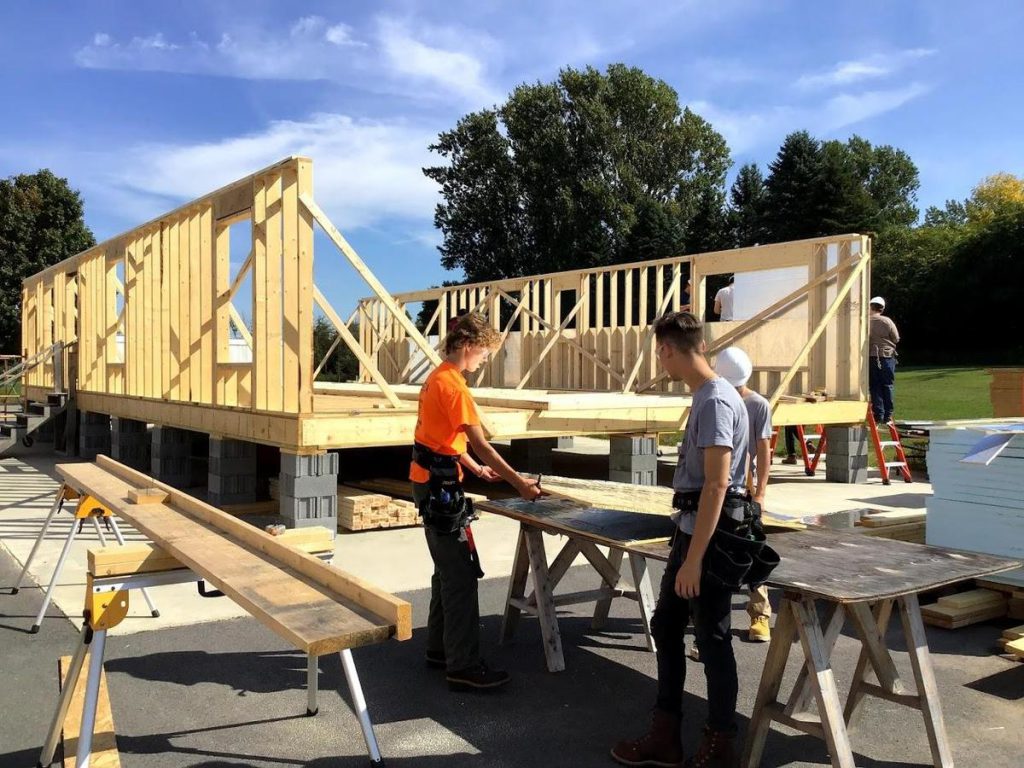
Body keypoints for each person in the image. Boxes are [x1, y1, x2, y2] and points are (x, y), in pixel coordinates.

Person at [612, 311, 749, 768]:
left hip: (708, 540)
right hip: (693, 533)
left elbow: (716, 484)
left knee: (712, 639)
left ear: (668, 349)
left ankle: (719, 746)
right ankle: (666, 736)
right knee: (668, 626)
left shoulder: (714, 401)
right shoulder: (709, 395)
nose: (661, 363)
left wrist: (693, 560)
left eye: (659, 354)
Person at [410, 311, 542, 692]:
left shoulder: (436, 378)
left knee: (446, 571)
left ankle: (440, 650)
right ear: (467, 347)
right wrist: (518, 483)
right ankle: (463, 666)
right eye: (484, 354)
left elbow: (440, 439)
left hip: (432, 482)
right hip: (440, 491)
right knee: (462, 576)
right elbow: (481, 443)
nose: (484, 361)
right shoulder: (453, 386)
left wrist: (473, 469)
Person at [714, 347, 773, 644]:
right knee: (718, 559)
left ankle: (760, 613)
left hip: (744, 493)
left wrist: (760, 491)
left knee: (752, 550)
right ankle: (709, 630)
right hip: (717, 491)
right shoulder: (716, 400)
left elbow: (763, 450)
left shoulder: (757, 405)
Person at [868, 296, 900, 424]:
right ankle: (888, 415)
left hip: (871, 356)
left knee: (874, 386)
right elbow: (896, 338)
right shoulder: (887, 321)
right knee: (887, 385)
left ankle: (878, 415)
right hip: (887, 356)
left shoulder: (865, 321)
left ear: (870, 306)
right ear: (882, 308)